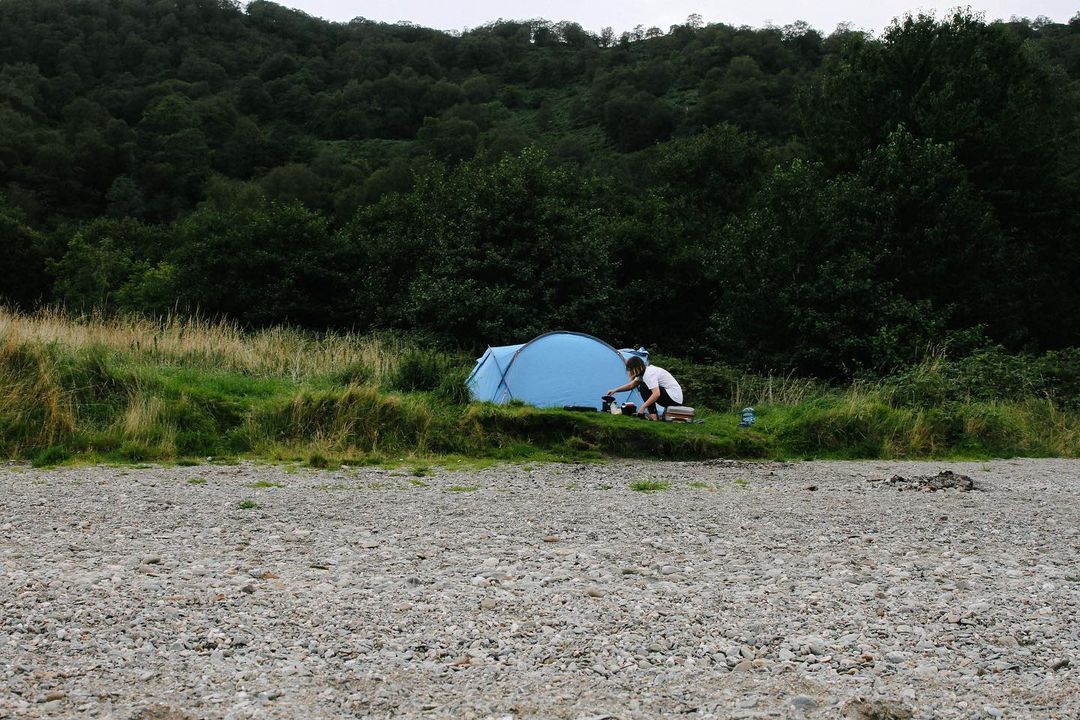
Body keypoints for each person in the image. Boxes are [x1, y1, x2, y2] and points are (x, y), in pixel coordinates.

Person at [606, 356, 684, 421]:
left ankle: (654, 417)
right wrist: (615, 390)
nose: (629, 371)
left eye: (630, 369)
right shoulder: (643, 373)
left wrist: (642, 408)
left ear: (635, 368)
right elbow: (631, 386)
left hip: (674, 398)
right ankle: (653, 416)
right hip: (671, 397)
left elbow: (656, 394)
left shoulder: (649, 374)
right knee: (644, 386)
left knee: (644, 387)